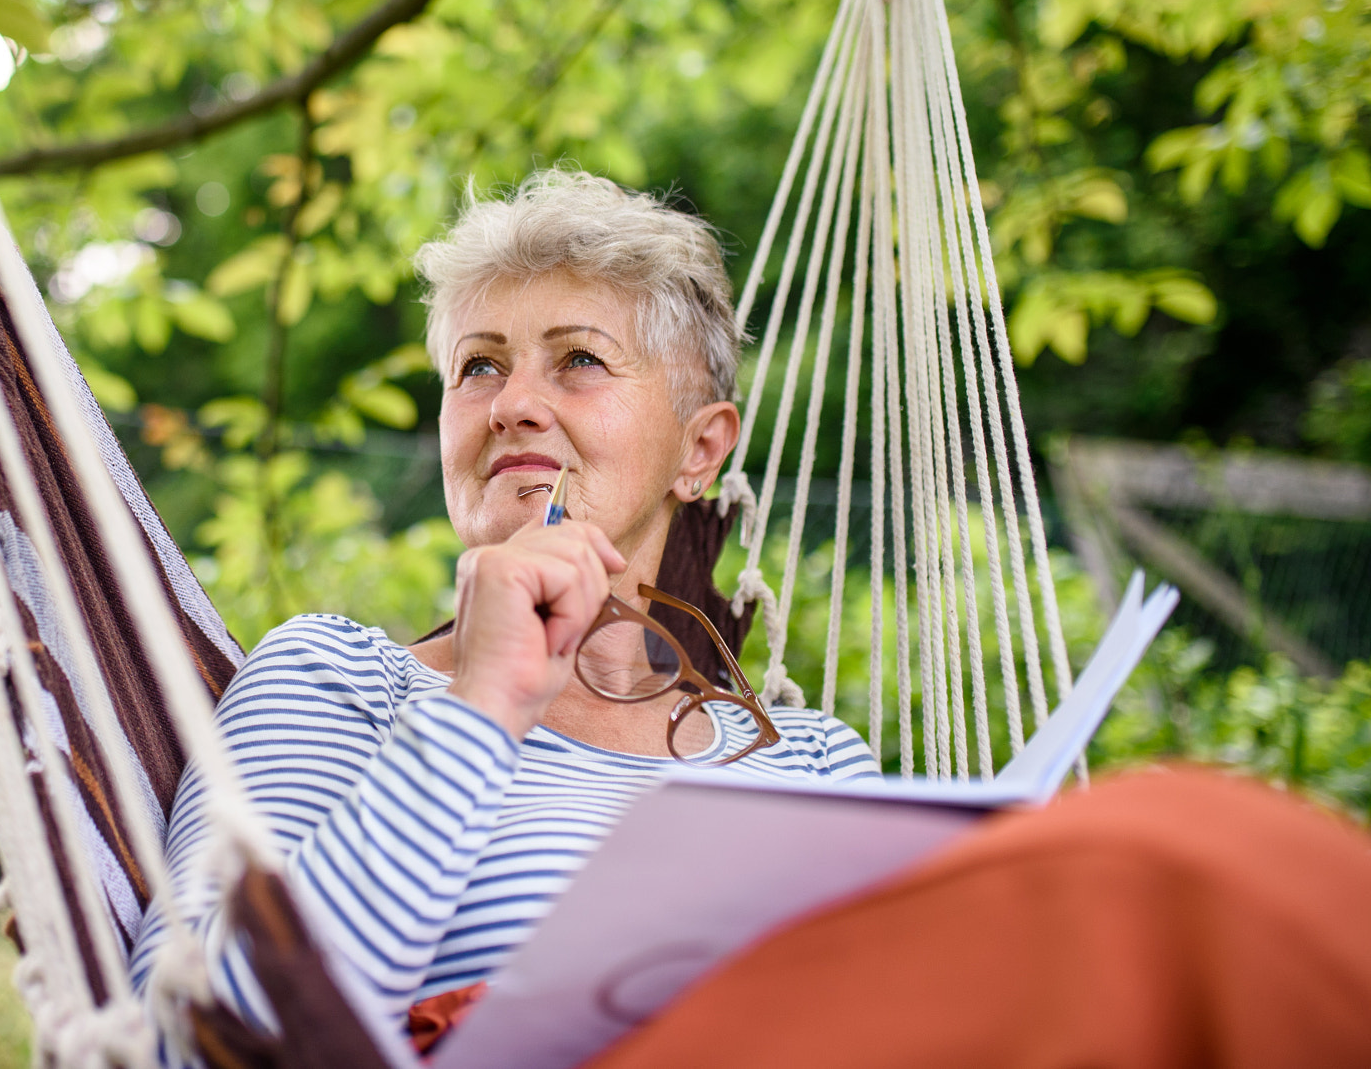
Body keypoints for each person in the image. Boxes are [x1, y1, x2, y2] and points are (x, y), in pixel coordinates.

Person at [128, 169, 878, 1042]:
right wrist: (480, 708)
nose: (514, 406)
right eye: (478, 365)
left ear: (701, 448)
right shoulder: (339, 680)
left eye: (580, 360)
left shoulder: (813, 762)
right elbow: (184, 1039)